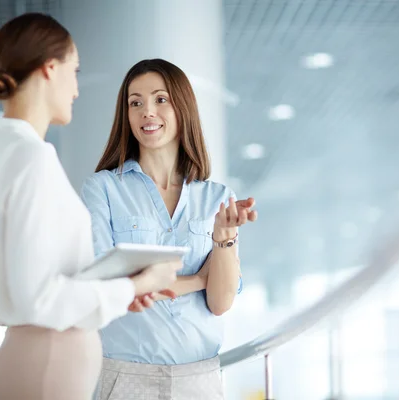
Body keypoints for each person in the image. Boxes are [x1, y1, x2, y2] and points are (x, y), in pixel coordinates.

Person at [0, 14, 181, 400]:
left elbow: (31, 281)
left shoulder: (4, 154)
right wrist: (138, 284)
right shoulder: (29, 158)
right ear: (50, 68)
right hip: (44, 372)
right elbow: (41, 298)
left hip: (34, 364)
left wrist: (116, 289)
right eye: (75, 70)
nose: (77, 89)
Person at [81, 58, 258, 400]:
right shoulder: (103, 189)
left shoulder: (219, 199)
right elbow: (108, 288)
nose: (147, 111)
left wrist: (223, 238)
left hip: (200, 380)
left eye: (160, 99)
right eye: (136, 103)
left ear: (182, 107)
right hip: (127, 380)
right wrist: (199, 278)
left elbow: (220, 302)